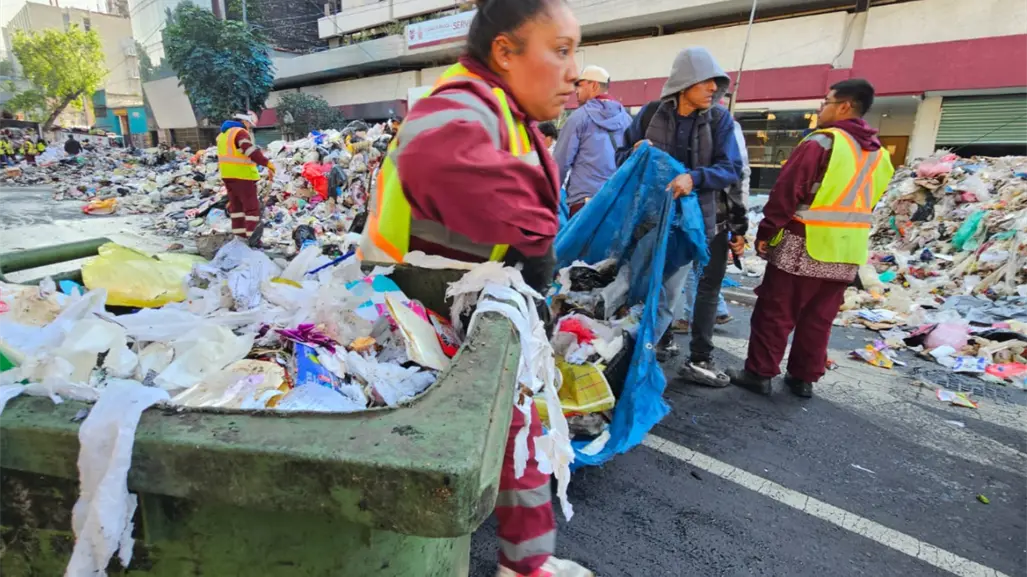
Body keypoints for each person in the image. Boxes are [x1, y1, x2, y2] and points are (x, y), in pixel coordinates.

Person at [359, 2, 591, 576]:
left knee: (521, 428)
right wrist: (534, 237)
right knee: (517, 431)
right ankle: (524, 565)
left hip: (444, 301)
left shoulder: (503, 110)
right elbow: (434, 151)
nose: (574, 71)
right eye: (560, 50)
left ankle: (527, 563)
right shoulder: (462, 102)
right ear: (505, 52)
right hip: (416, 305)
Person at [727, 79, 894, 398]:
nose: (820, 108)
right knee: (819, 318)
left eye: (826, 102)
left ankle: (760, 373)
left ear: (844, 106)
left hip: (804, 243)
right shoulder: (879, 154)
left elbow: (788, 192)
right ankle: (803, 378)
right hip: (848, 250)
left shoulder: (823, 143)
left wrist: (766, 232)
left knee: (776, 311)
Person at [616, 47, 743, 375]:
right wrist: (633, 152)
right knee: (637, 286)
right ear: (685, 83)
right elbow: (620, 158)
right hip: (649, 218)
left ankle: (640, 358)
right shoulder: (651, 114)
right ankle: (627, 349)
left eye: (716, 83)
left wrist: (695, 178)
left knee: (670, 293)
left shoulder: (720, 120)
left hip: (694, 223)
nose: (713, 89)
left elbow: (731, 168)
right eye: (706, 83)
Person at [672, 93, 751, 334]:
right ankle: (708, 315)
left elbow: (737, 176)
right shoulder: (685, 122)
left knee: (694, 271)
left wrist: (739, 225)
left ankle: (694, 327)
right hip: (700, 212)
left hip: (708, 215)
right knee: (697, 272)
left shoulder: (724, 126)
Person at [553, 64, 631, 218]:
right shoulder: (627, 120)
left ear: (594, 85)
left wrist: (551, 195)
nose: (576, 90)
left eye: (580, 85)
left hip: (584, 202)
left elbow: (560, 162)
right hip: (617, 200)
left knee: (581, 243)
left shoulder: (578, 118)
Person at [216, 111, 275, 241]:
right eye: (249, 124)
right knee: (251, 208)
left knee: (237, 209)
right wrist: (267, 163)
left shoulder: (222, 135)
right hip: (243, 177)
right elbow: (250, 151)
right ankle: (252, 239)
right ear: (244, 121)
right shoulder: (239, 132)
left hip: (228, 176)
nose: (249, 127)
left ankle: (239, 238)